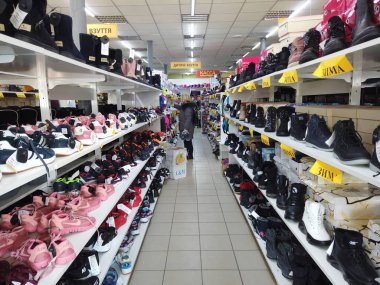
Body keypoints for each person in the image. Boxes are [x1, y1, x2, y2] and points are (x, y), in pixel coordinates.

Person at [176, 93, 196, 159]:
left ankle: (190, 155)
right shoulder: (185, 106)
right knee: (186, 141)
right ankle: (187, 153)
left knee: (188, 141)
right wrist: (173, 105)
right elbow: (180, 108)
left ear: (184, 99)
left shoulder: (188, 108)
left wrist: (185, 129)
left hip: (187, 127)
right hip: (184, 126)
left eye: (181, 98)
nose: (180, 99)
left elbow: (188, 119)